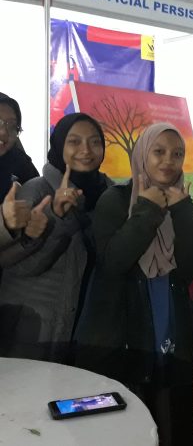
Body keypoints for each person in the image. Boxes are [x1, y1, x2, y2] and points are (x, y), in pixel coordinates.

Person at [73, 122, 193, 446]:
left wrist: (182, 208)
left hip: (170, 326)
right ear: (142, 155)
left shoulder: (181, 201)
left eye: (177, 154)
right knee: (134, 426)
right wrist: (147, 209)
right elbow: (113, 263)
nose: (168, 161)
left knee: (172, 423)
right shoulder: (116, 199)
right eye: (158, 152)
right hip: (128, 333)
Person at [0, 113, 110, 362]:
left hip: (83, 327)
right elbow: (19, 268)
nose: (86, 150)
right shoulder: (37, 191)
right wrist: (57, 218)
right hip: (34, 329)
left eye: (95, 142)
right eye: (74, 141)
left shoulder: (109, 195)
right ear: (59, 145)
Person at [0, 92, 41, 257]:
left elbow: (40, 202)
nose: (4, 133)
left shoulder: (20, 162)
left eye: (12, 126)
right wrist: (3, 221)